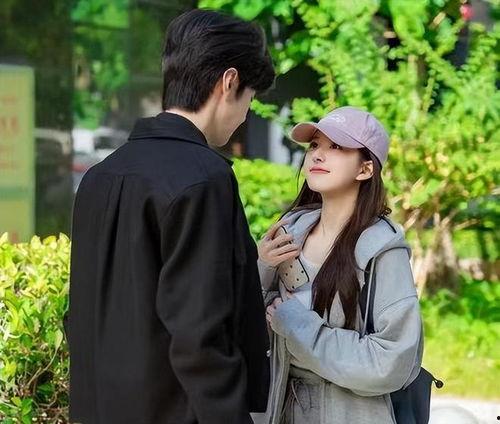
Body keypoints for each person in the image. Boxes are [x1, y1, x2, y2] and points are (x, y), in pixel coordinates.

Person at [68, 9, 275, 424]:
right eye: (250, 100)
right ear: (229, 82)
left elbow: (81, 317)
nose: (244, 116)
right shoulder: (204, 178)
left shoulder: (98, 176)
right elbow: (201, 334)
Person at [256, 106, 423, 423]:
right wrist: (261, 270)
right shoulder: (288, 233)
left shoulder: (382, 250)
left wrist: (298, 327)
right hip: (284, 410)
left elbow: (392, 362)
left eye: (336, 147)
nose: (318, 155)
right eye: (314, 145)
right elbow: (251, 331)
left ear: (365, 169)